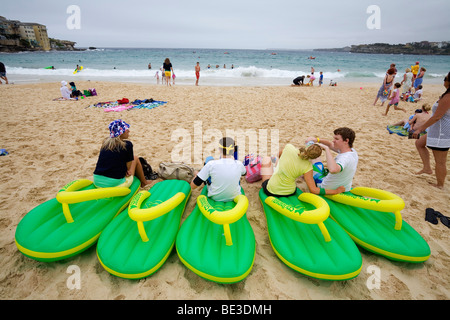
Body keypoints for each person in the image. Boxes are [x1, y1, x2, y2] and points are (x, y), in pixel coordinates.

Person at [260, 143, 345, 197]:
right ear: (314, 158)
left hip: (271, 190)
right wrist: (336, 191)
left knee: (267, 159)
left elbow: (278, 155)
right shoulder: (308, 167)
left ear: (306, 147)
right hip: (289, 192)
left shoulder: (289, 148)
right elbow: (314, 190)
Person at [412, 72, 450, 189]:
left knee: (440, 161)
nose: (444, 80)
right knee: (419, 143)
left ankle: (440, 185)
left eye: (445, 78)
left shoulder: (448, 97)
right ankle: (427, 168)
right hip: (436, 130)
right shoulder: (446, 95)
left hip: (441, 133)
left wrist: (420, 129)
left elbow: (437, 116)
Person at [93, 119, 152, 189]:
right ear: (121, 132)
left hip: (97, 180)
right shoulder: (127, 145)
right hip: (114, 183)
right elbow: (128, 167)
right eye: (126, 129)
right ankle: (144, 182)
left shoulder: (106, 143)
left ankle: (144, 182)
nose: (128, 131)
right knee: (135, 158)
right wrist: (127, 171)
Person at [190, 137, 246, 202]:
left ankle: (201, 174)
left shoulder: (211, 164)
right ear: (233, 150)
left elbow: (193, 186)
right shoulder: (239, 164)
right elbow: (244, 173)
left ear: (219, 150)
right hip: (234, 196)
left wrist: (197, 175)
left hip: (215, 197)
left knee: (209, 159)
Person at [305, 127, 358, 192]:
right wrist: (317, 140)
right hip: (345, 187)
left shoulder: (344, 158)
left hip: (326, 187)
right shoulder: (352, 151)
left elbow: (333, 170)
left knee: (315, 158)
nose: (333, 140)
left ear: (346, 141)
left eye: (336, 139)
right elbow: (330, 144)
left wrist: (327, 149)